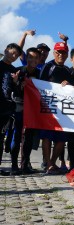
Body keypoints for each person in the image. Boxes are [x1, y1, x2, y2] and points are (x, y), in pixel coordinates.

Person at [40, 42, 72, 174]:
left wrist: (68, 84)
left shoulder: (67, 70)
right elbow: (39, 83)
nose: (60, 55)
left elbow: (71, 89)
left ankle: (52, 162)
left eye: (63, 52)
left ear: (67, 54)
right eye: (58, 52)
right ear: (54, 53)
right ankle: (47, 164)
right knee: (46, 137)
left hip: (62, 110)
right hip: (48, 108)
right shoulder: (48, 66)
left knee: (61, 139)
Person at [10, 47, 41, 175]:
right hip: (19, 106)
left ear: (39, 59)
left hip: (33, 108)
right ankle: (14, 166)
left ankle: (25, 165)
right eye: (30, 57)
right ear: (25, 58)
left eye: (35, 58)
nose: (32, 60)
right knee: (17, 137)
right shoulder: (18, 71)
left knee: (28, 138)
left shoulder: (40, 73)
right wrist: (17, 83)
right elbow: (11, 90)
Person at [0, 43, 22, 175]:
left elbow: (16, 91)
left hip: (6, 109)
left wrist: (15, 82)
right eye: (12, 53)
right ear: (6, 50)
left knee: (1, 137)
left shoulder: (14, 70)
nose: (14, 56)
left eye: (17, 55)